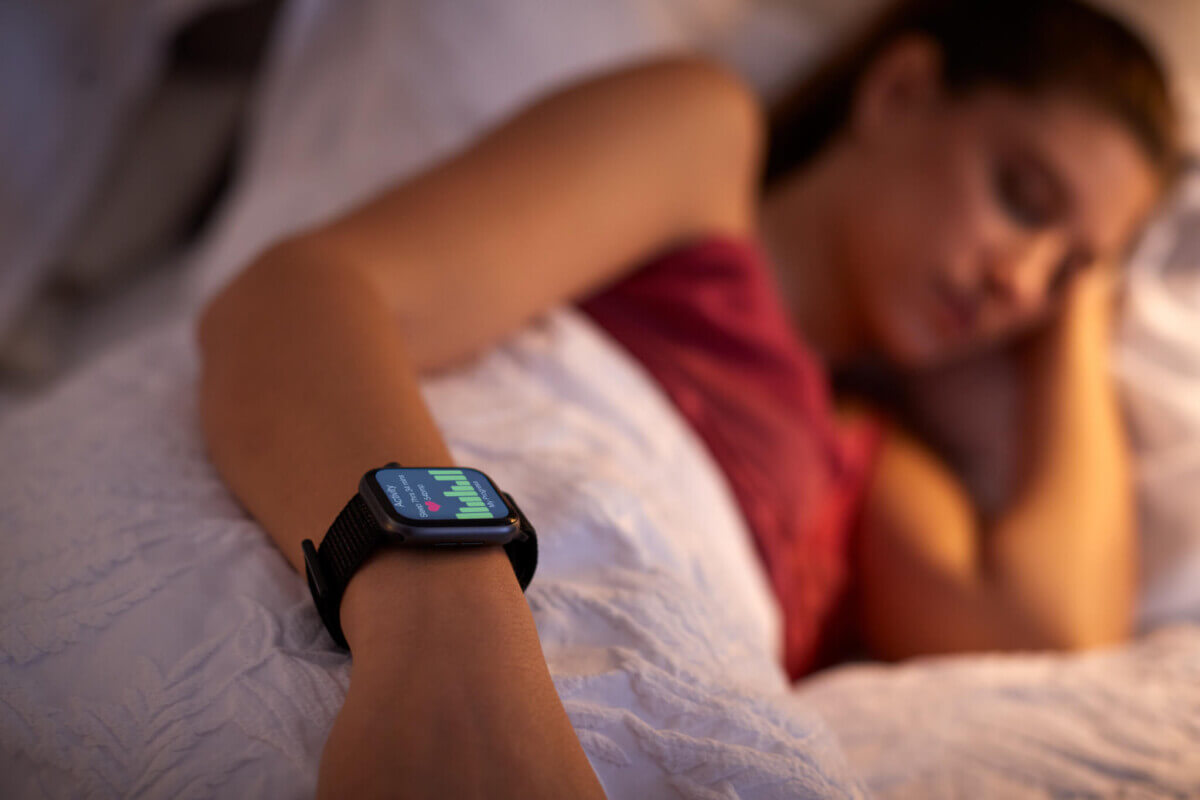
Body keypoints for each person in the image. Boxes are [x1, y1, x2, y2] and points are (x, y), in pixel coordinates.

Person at [196, 0, 1181, 796]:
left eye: (1066, 273)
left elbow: (1056, 631)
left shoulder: (869, 459)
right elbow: (299, 299)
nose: (1022, 283)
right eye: (1022, 196)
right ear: (902, 90)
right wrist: (451, 630)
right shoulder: (701, 149)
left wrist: (1082, 314)